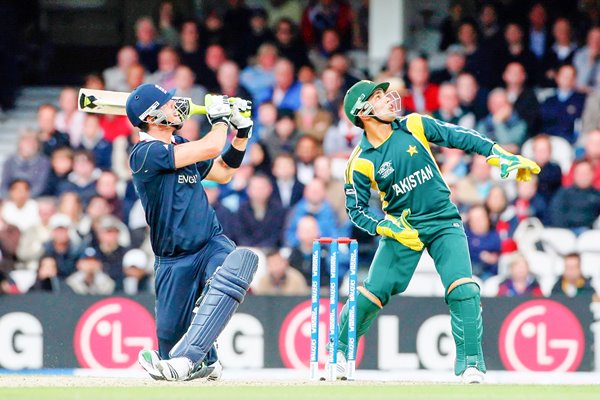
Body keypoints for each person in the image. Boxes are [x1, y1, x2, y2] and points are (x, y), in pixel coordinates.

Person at [335, 80, 540, 383]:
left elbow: (459, 137)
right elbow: (356, 211)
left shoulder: (414, 124)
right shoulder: (360, 161)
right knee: (372, 293)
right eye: (378, 98)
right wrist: (384, 226)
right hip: (404, 229)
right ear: (363, 113)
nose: (388, 100)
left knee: (464, 289)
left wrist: (497, 152)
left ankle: (471, 364)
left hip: (444, 220)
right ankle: (338, 351)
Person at [125, 83, 258, 381]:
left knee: (236, 265)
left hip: (209, 243)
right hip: (172, 260)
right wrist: (221, 120)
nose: (174, 106)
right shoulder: (144, 154)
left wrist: (242, 134)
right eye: (167, 103)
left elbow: (223, 172)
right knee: (169, 351)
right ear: (151, 116)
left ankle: (191, 360)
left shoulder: (179, 143)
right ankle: (203, 361)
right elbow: (211, 146)